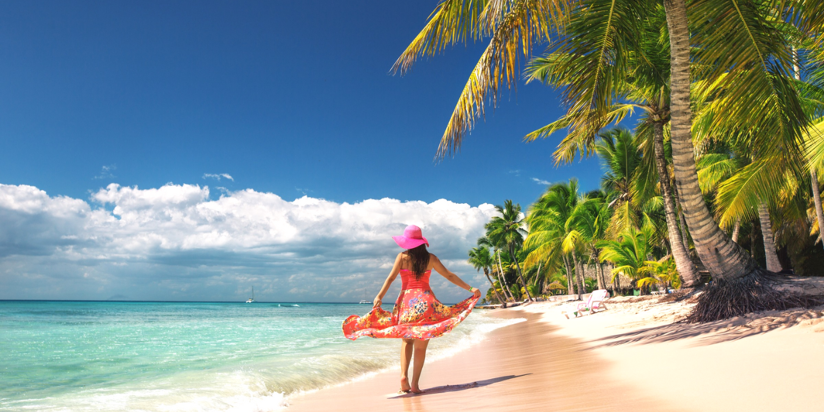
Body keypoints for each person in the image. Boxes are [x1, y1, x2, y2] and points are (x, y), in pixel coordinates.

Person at [342, 225, 482, 394]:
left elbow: (391, 277)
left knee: (407, 340)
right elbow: (449, 275)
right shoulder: (431, 258)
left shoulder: (402, 257)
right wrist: (470, 288)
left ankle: (403, 376)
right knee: (421, 347)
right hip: (426, 302)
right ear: (422, 242)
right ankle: (415, 384)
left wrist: (379, 296)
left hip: (406, 302)